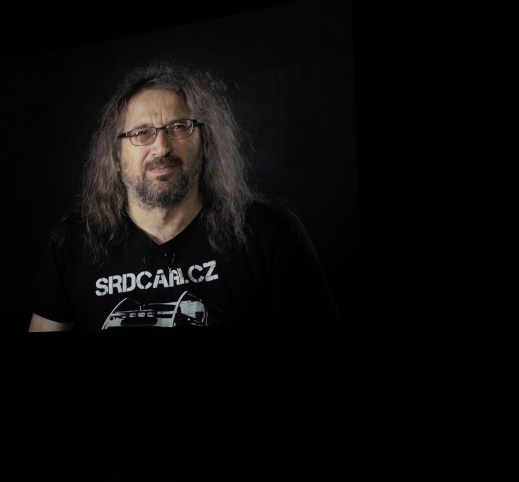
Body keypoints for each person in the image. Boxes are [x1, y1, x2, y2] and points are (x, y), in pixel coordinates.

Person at [28, 61, 339, 331]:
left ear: (205, 143)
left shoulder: (269, 233)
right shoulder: (72, 246)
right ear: (116, 157)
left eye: (178, 127)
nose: (162, 148)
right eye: (141, 133)